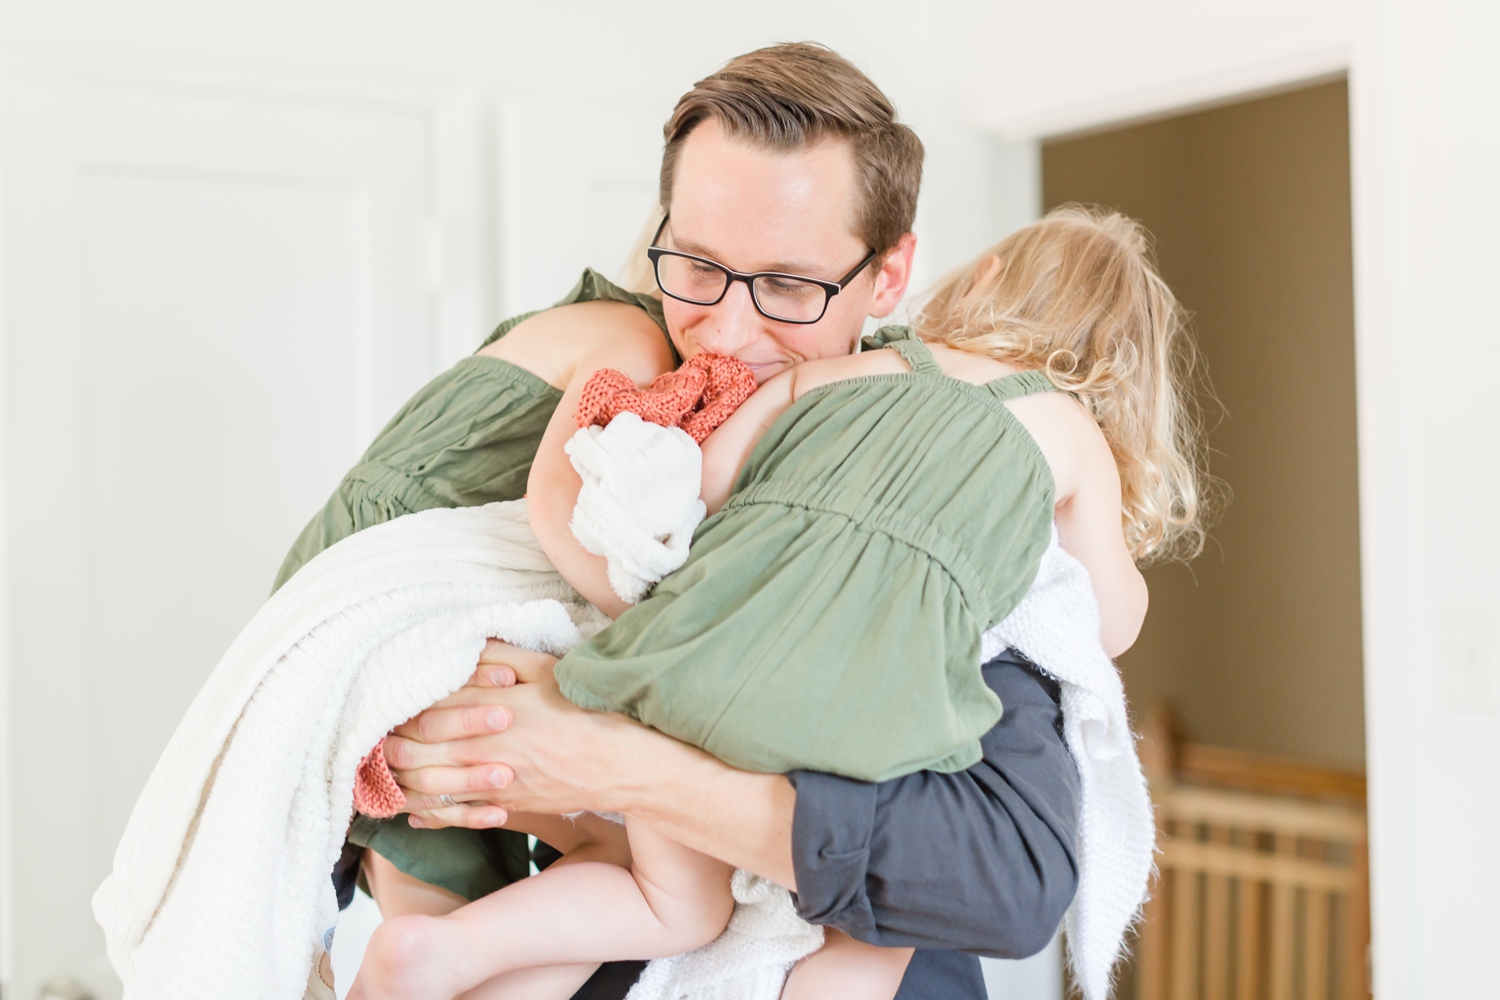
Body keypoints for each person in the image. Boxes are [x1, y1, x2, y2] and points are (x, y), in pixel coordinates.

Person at [281, 43, 1083, 999]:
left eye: (789, 287)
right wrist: (430, 751)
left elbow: (1009, 877)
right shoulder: (626, 408)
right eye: (697, 266)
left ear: (889, 274)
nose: (730, 331)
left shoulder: (929, 480)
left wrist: (615, 764)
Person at [346, 205, 1200, 1000]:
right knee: (868, 929)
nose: (734, 326)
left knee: (663, 896)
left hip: (686, 658)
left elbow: (709, 488)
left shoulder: (855, 371)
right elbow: (1108, 622)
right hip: (848, 726)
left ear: (974, 279)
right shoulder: (1063, 436)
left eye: (782, 285)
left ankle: (444, 955)